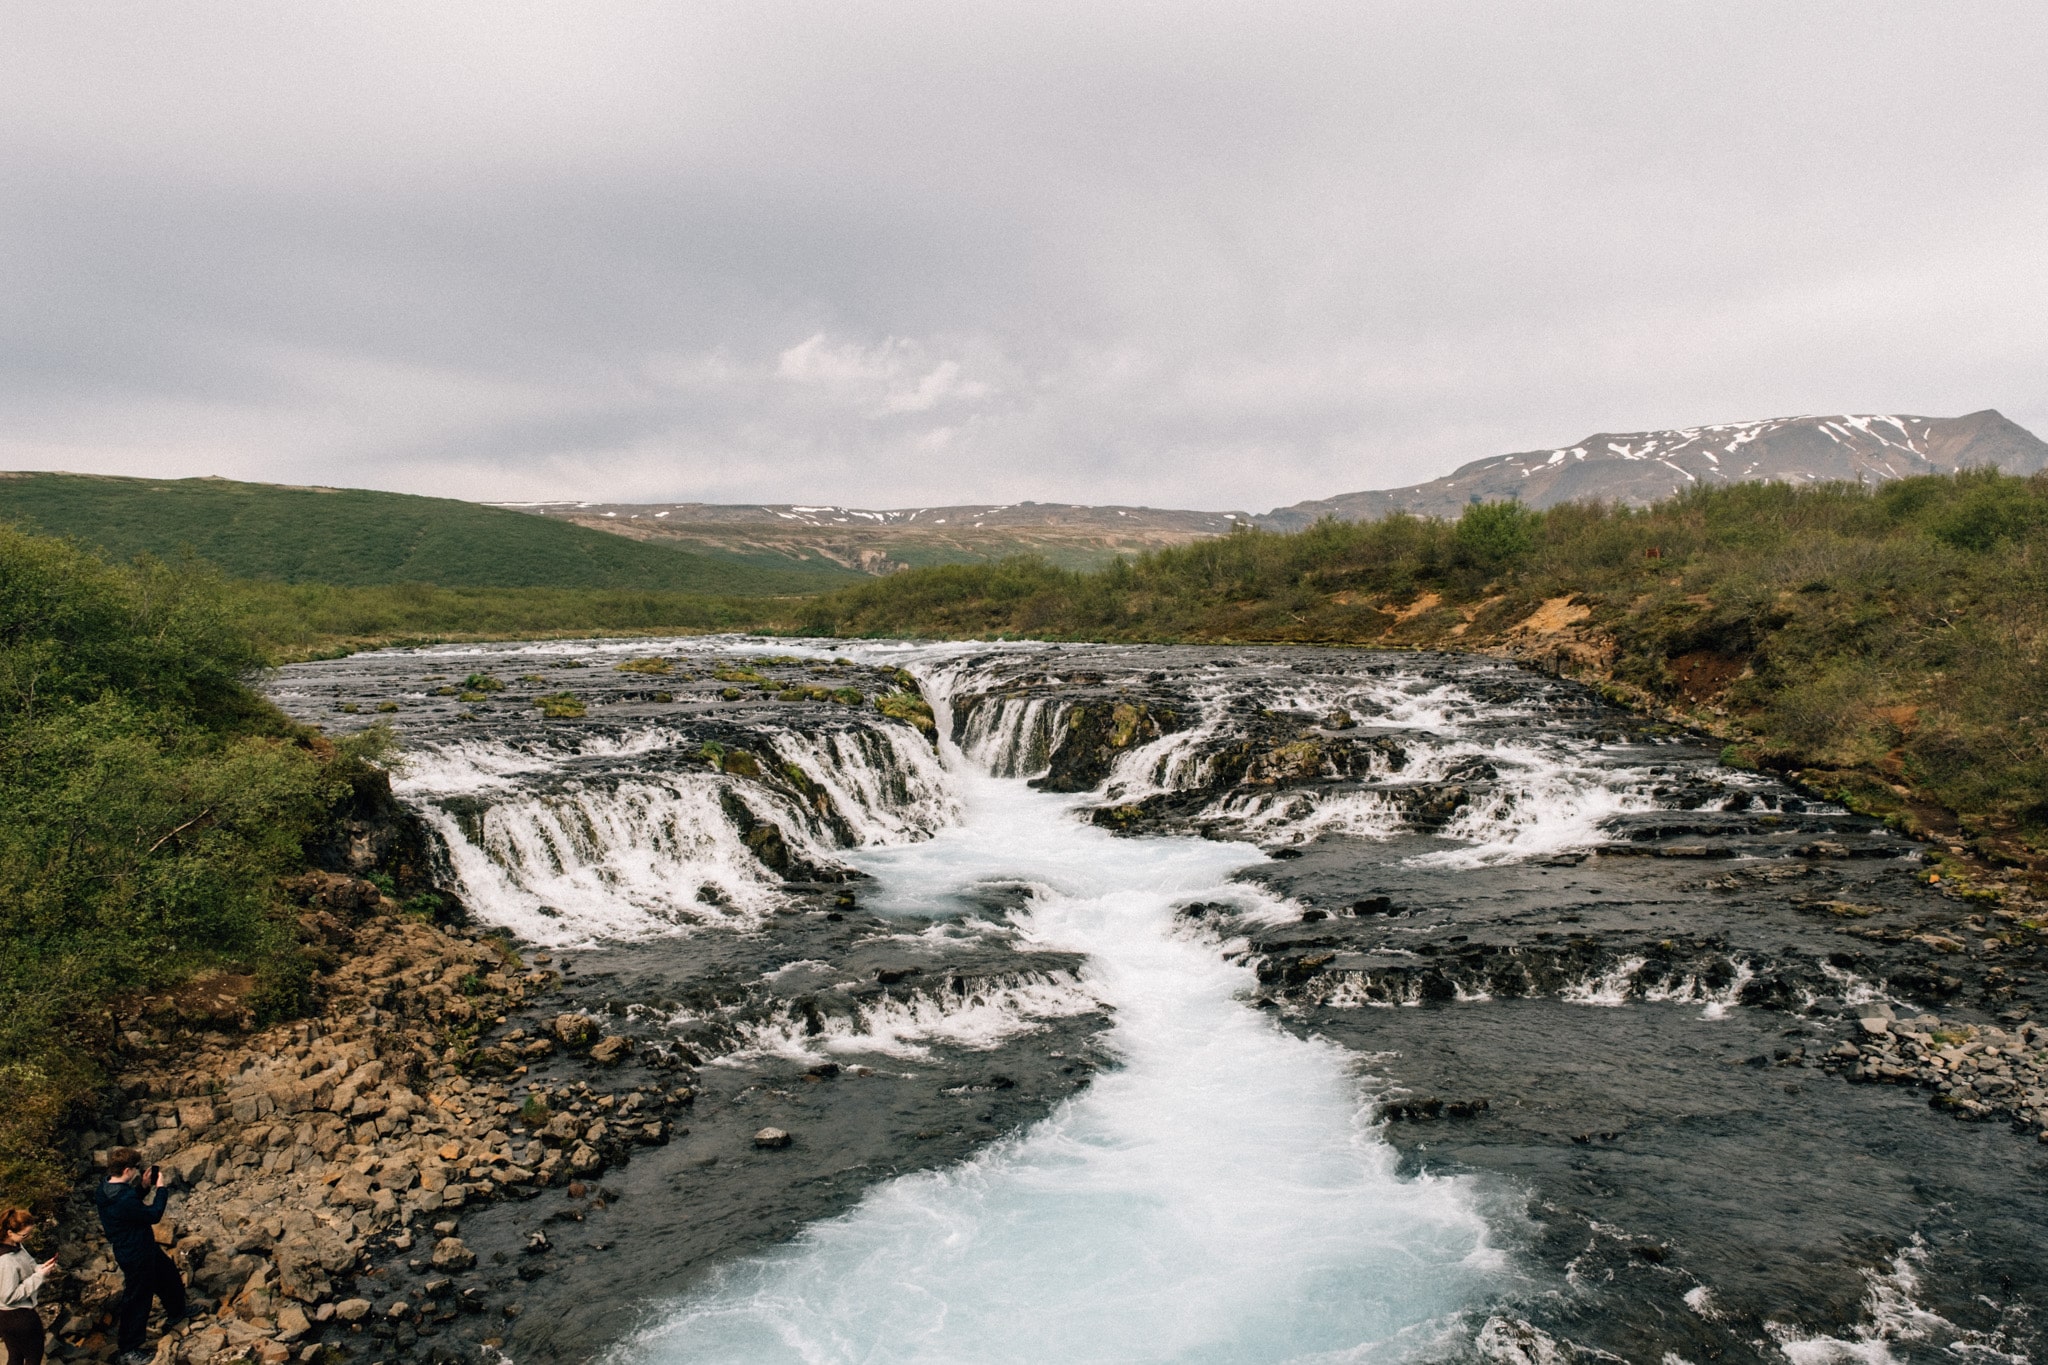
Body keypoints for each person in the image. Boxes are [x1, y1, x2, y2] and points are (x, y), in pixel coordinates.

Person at [93, 1149, 187, 1365]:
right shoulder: (122, 1198)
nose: (137, 1171)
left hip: (137, 1246)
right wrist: (161, 1189)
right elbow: (153, 1214)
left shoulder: (106, 1187)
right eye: (135, 1169)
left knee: (167, 1274)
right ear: (127, 1170)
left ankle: (177, 1311)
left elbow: (129, 1207)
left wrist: (143, 1187)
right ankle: (129, 1349)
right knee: (138, 1297)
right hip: (135, 1251)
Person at [0, 1208, 56, 1365]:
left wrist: (41, 1268)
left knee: (16, 1356)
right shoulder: (6, 1261)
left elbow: (29, 1264)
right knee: (33, 1356)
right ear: (10, 1232)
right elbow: (8, 1296)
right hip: (17, 1317)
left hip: (7, 1318)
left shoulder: (16, 1244)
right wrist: (39, 1277)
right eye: (24, 1235)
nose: (27, 1238)